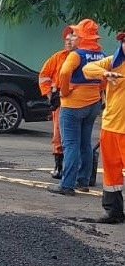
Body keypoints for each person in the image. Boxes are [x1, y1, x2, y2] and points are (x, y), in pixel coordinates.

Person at [48, 19, 105, 196]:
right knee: (85, 144)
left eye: (75, 34)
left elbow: (64, 73)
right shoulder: (101, 55)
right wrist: (99, 91)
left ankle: (67, 185)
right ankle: (83, 181)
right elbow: (103, 78)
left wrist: (64, 91)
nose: (73, 37)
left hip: (73, 105)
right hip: (93, 104)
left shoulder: (76, 55)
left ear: (82, 36)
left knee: (70, 144)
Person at [82, 30, 125, 222]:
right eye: (124, 42)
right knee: (111, 170)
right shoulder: (113, 62)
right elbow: (87, 69)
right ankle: (113, 212)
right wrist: (105, 73)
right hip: (110, 126)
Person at [38, 27, 75, 178]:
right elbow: (44, 75)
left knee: (73, 137)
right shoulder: (58, 57)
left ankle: (71, 169)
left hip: (76, 100)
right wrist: (49, 95)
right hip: (60, 100)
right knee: (58, 135)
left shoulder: (81, 57)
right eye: (67, 40)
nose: (68, 42)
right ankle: (59, 168)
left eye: (72, 39)